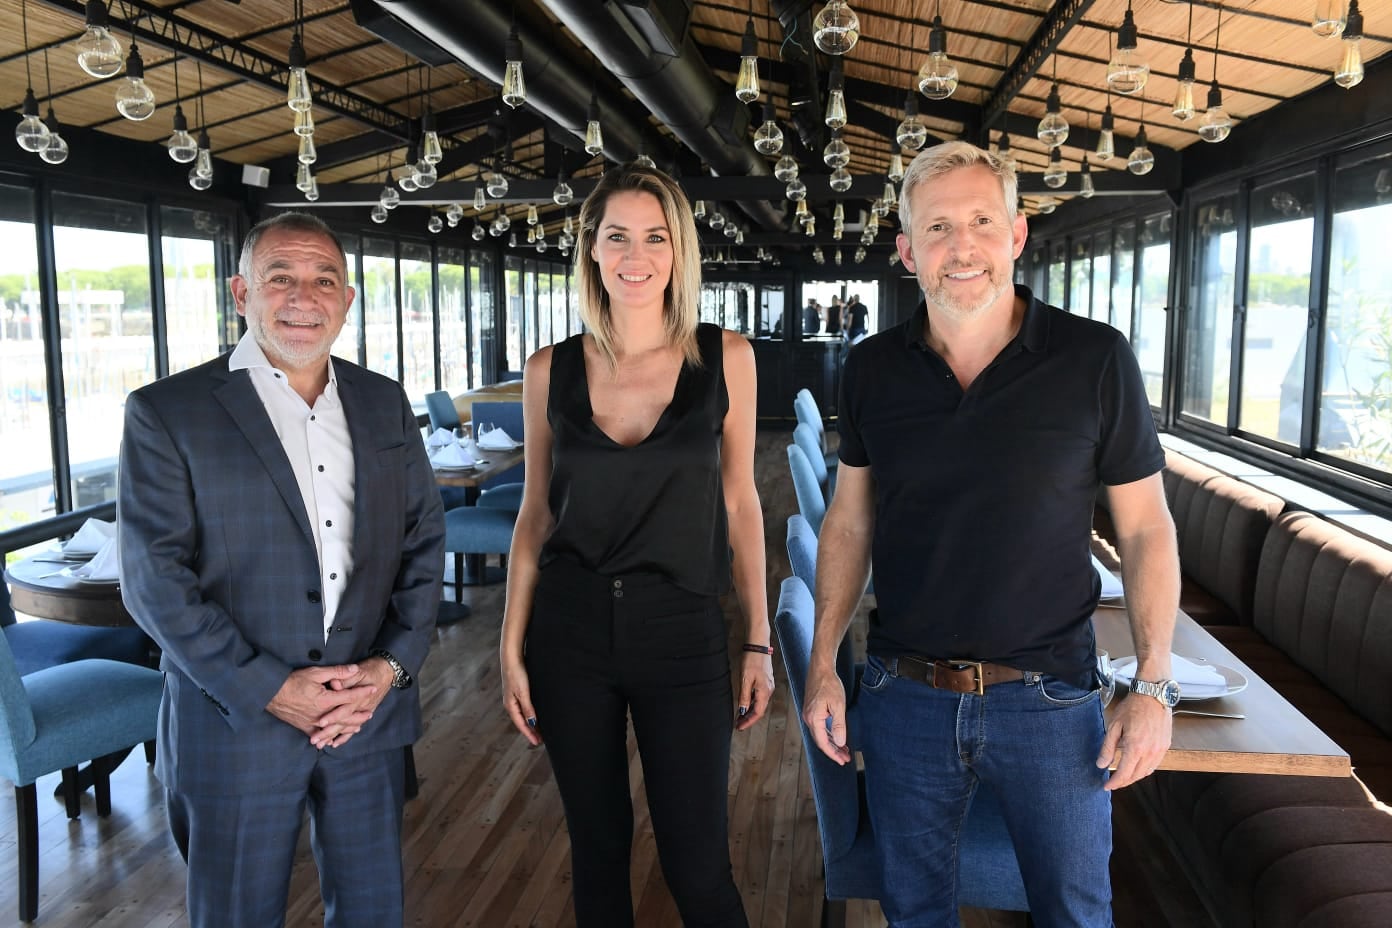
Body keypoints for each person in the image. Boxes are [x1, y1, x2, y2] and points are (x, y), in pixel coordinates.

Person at [801, 142, 1180, 927]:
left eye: (981, 220)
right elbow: (848, 519)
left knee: (1076, 913)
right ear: (907, 251)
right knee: (913, 913)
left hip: (1051, 700)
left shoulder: (1095, 358)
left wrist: (1152, 683)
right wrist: (823, 666)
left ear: (1016, 233)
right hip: (903, 695)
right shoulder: (872, 368)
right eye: (937, 227)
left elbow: (1144, 530)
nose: (961, 245)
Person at [118, 211, 446, 928]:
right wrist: (271, 688)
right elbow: (152, 581)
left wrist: (389, 669)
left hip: (366, 716)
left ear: (347, 299)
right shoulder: (167, 413)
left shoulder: (384, 402)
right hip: (235, 726)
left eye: (324, 279)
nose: (304, 296)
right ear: (241, 293)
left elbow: (423, 544)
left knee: (372, 913)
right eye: (281, 277)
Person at [499, 163, 772, 928]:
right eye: (617, 236)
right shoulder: (549, 369)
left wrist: (756, 641)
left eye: (655, 237)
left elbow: (741, 503)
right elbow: (533, 516)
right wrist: (510, 647)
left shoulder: (728, 358)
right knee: (597, 850)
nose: (635, 254)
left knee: (699, 866)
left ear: (678, 252)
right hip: (570, 631)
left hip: (680, 627)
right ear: (590, 249)